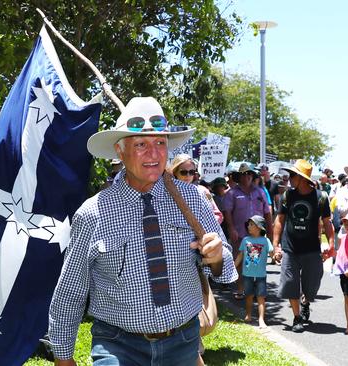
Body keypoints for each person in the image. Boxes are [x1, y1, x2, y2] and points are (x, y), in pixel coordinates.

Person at [47, 97, 237, 366]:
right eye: (140, 144)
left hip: (183, 343)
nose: (154, 153)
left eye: (160, 143)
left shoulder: (192, 200)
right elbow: (71, 290)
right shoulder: (93, 213)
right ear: (119, 151)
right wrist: (63, 357)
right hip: (117, 346)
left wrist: (216, 257)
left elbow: (225, 268)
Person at [272, 159, 335, 333]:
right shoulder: (288, 196)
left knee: (312, 284)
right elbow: (280, 220)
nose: (289, 178)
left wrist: (331, 244)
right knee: (290, 282)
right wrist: (275, 245)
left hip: (311, 248)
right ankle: (297, 317)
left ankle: (305, 301)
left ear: (301, 177)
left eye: (292, 175)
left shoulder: (320, 197)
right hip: (290, 248)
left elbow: (327, 222)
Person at [224, 162, 273, 300]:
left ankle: (255, 289)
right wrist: (231, 228)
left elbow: (267, 213)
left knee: (255, 262)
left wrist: (270, 231)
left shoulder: (260, 192)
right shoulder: (232, 193)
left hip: (257, 235)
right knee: (239, 261)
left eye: (249, 174)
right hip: (239, 233)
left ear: (253, 175)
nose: (246, 177)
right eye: (243, 174)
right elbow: (227, 212)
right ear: (238, 177)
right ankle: (240, 288)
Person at [235, 215, 273, 329]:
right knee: (249, 296)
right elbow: (240, 255)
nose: (249, 226)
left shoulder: (266, 241)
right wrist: (233, 267)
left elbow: (272, 254)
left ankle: (261, 319)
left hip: (261, 275)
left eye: (252, 224)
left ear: (259, 228)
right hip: (247, 274)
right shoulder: (245, 240)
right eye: (249, 224)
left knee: (261, 297)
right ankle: (248, 315)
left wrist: (277, 256)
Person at [170, 154, 223, 224]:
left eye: (191, 172)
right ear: (175, 172)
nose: (188, 175)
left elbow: (218, 215)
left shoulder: (204, 191)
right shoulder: (168, 192)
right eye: (183, 172)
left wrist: (206, 226)